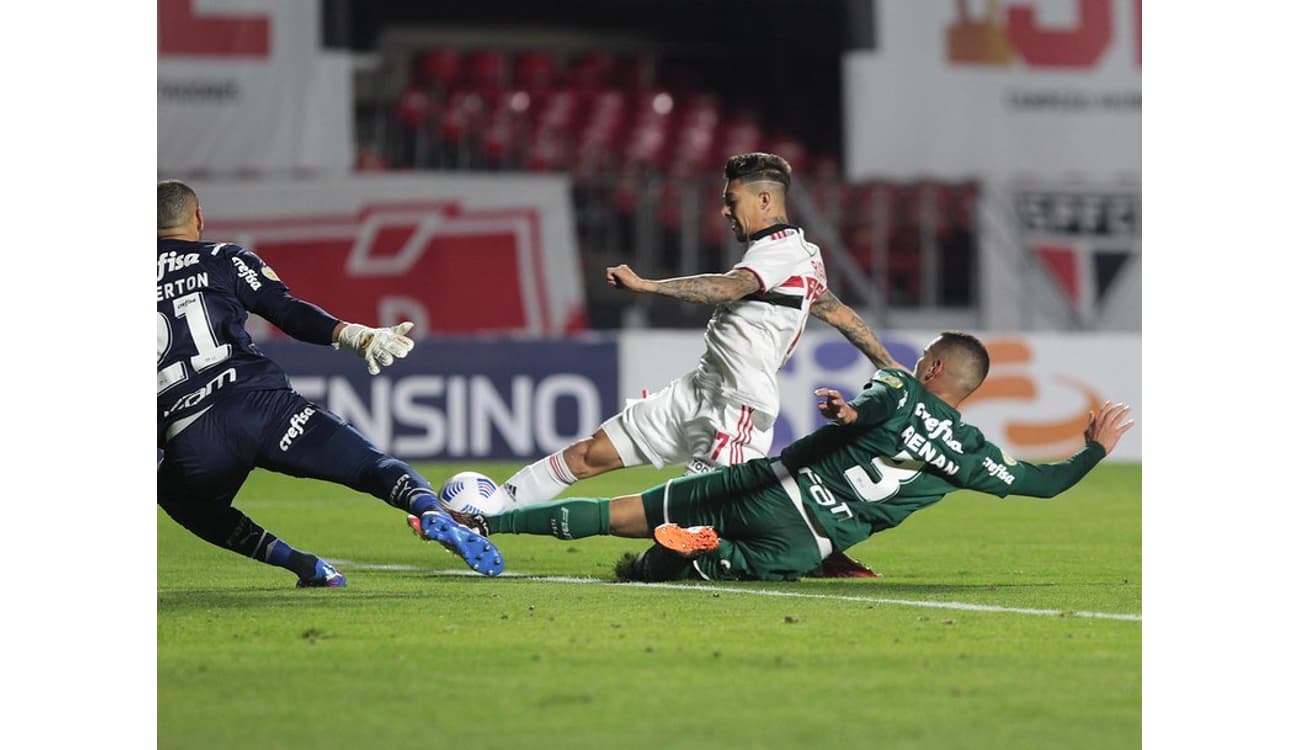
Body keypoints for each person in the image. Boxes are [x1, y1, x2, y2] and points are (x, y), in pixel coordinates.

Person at [495, 152, 901, 577]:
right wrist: (892, 368)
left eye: (732, 199)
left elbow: (727, 289)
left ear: (765, 200)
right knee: (587, 454)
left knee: (673, 525)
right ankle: (487, 510)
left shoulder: (782, 253)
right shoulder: (795, 256)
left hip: (736, 409)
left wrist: (647, 285)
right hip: (697, 392)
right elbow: (838, 313)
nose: (724, 209)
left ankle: (813, 553)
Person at [449, 332, 1134, 582]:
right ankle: (699, 556)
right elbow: (1042, 485)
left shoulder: (896, 385)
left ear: (929, 364)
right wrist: (1094, 450)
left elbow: (871, 408)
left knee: (614, 512)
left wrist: (846, 413)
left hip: (762, 481)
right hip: (800, 538)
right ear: (969, 388)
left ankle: (487, 523)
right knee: (699, 569)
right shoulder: (969, 452)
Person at [156, 180, 503, 587]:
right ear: (198, 218)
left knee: (185, 501)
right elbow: (285, 311)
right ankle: (428, 509)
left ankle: (304, 566)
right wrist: (353, 335)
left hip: (191, 434)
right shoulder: (222, 258)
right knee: (370, 464)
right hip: (262, 407)